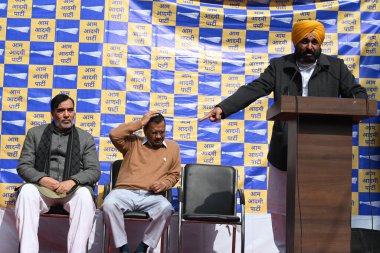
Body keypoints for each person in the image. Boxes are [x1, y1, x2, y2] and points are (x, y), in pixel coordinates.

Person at [200, 20, 367, 253]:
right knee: (280, 211)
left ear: (320, 44)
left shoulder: (336, 68)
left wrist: (360, 105)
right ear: (296, 42)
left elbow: (357, 93)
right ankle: (283, 249)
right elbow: (255, 88)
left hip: (322, 156)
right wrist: (223, 107)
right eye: (304, 41)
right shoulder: (280, 67)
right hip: (283, 153)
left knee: (319, 210)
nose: (309, 46)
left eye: (314, 42)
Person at [15, 94, 101, 253]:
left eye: (70, 110)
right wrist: (42, 179)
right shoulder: (35, 133)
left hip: (72, 191)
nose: (67, 114)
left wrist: (73, 181)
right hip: (43, 190)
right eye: (61, 110)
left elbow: (94, 171)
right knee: (26, 191)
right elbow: (24, 166)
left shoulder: (85, 138)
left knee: (84, 195)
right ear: (52, 113)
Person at [102, 111, 181, 253]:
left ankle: (143, 247)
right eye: (154, 132)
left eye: (161, 132)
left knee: (167, 208)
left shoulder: (173, 147)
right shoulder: (132, 143)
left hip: (151, 195)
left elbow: (174, 175)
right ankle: (123, 248)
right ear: (144, 131)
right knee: (108, 204)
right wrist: (140, 122)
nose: (158, 136)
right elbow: (115, 134)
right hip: (124, 192)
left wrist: (164, 184)